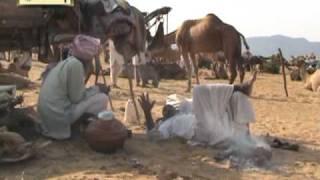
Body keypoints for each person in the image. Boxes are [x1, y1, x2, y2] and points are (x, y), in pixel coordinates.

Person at [138, 72, 258, 143]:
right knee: (198, 90)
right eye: (165, 110)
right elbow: (153, 136)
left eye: (169, 107)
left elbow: (191, 104)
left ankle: (247, 134)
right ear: (162, 118)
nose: (167, 109)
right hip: (199, 130)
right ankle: (241, 87)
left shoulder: (183, 111)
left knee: (238, 97)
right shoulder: (166, 125)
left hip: (214, 123)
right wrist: (147, 113)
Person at [37, 35, 110, 140]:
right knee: (102, 98)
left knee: (97, 94)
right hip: (57, 118)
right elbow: (76, 98)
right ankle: (82, 129)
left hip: (50, 117)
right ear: (88, 56)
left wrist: (94, 89)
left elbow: (74, 94)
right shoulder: (76, 65)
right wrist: (97, 89)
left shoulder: (69, 62)